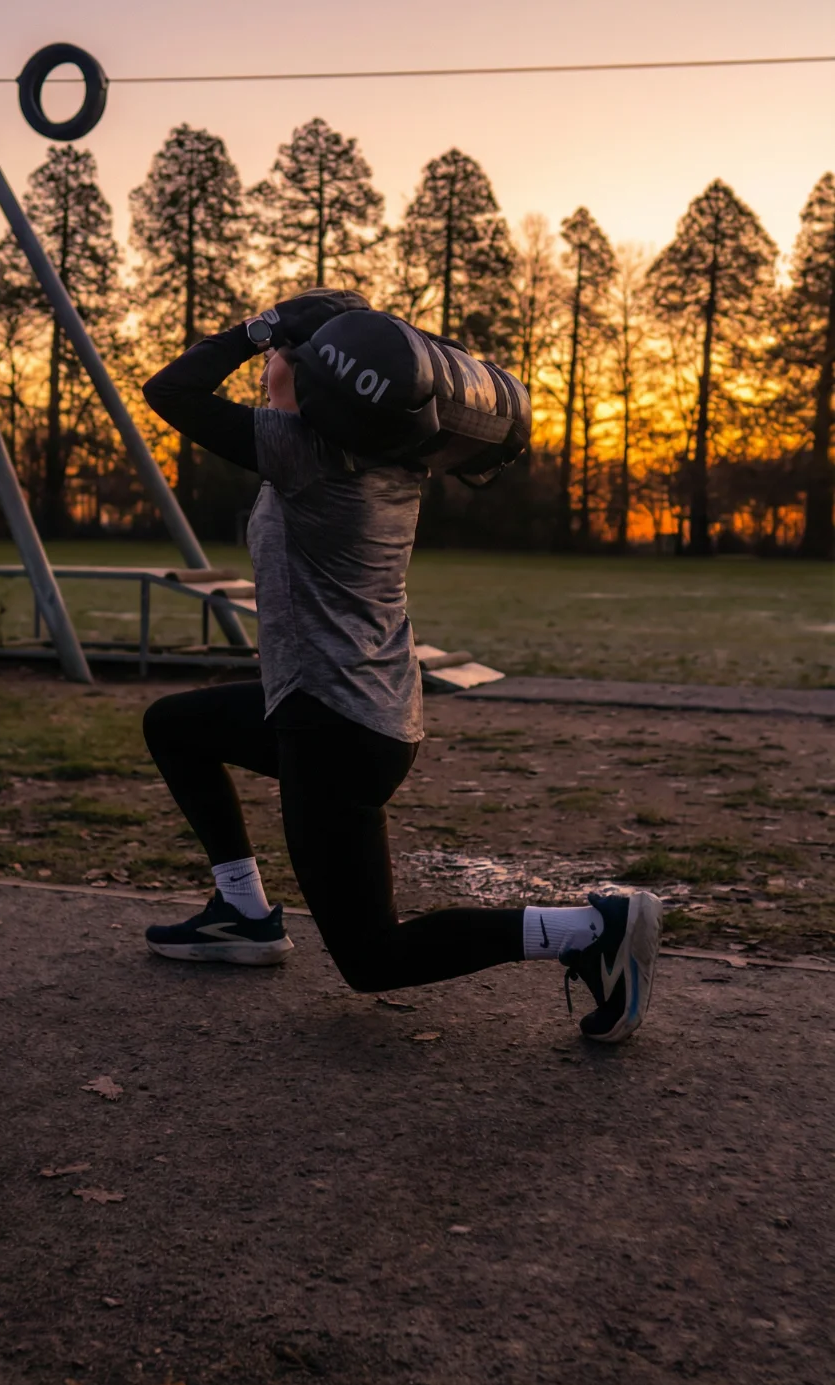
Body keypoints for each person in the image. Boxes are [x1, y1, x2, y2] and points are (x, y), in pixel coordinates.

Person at [140, 290, 661, 1043]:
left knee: (373, 958)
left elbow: (170, 391)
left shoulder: (308, 453)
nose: (265, 373)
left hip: (335, 728)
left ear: (317, 377)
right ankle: (242, 914)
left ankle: (589, 930)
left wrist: (258, 328)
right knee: (176, 726)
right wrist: (289, 341)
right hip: (342, 707)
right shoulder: (386, 452)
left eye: (278, 361)